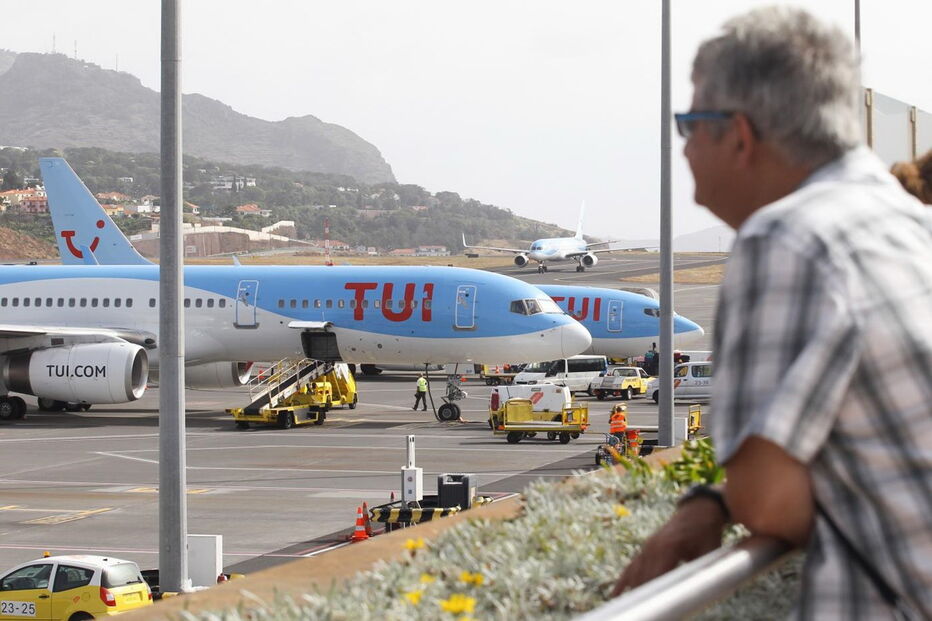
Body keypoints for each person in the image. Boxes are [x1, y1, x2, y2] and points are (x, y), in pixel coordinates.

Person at [613, 7, 932, 618]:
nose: (682, 149)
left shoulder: (786, 238)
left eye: (688, 123)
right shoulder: (907, 223)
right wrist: (718, 499)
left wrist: (718, 501)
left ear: (738, 134)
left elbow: (767, 502)